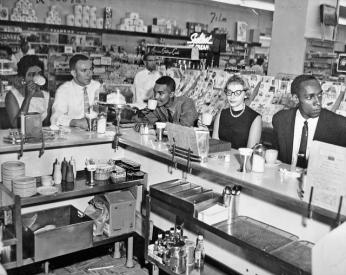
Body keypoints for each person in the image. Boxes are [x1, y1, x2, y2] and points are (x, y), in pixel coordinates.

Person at [272, 74, 346, 167]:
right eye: (309, 97)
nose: (318, 102)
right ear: (295, 98)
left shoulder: (339, 125)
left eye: (319, 95)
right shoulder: (280, 120)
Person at [51, 54, 101, 129]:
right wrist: (76, 122)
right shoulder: (64, 90)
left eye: (90, 69)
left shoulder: (97, 86)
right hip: (73, 136)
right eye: (84, 70)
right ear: (73, 73)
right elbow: (56, 118)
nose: (89, 74)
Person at [212, 75, 262, 149]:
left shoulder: (255, 118)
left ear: (246, 94)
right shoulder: (221, 114)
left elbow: (250, 152)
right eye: (229, 92)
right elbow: (214, 145)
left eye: (237, 92)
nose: (232, 96)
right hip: (221, 158)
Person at [5, 55, 50, 128]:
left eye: (39, 74)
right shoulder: (12, 95)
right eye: (31, 74)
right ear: (23, 78)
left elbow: (46, 126)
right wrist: (28, 98)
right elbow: (17, 125)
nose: (36, 77)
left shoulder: (46, 95)